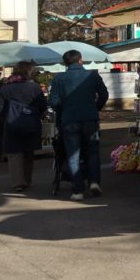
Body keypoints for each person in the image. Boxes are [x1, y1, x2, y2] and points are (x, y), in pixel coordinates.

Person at [48, 50, 108, 201]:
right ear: (80, 60)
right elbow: (104, 94)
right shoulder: (93, 75)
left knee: (73, 155)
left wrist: (64, 110)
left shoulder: (59, 78)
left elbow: (54, 101)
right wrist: (95, 108)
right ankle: (94, 182)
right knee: (92, 152)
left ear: (65, 63)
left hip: (69, 121)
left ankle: (78, 190)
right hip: (90, 119)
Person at [0, 61, 47, 191]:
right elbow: (43, 106)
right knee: (29, 153)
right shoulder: (35, 87)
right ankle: (27, 180)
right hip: (31, 124)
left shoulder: (6, 88)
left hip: (11, 124)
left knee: (14, 154)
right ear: (30, 72)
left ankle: (17, 183)